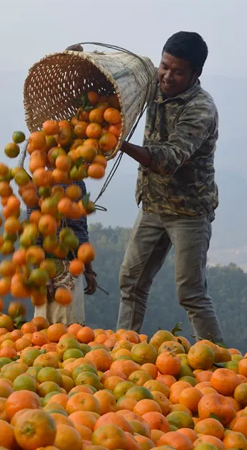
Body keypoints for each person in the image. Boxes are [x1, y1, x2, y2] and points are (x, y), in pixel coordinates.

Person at [74, 32, 223, 342]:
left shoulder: (200, 109)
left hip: (188, 211)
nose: (167, 76)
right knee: (131, 280)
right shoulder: (153, 81)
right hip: (153, 203)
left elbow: (168, 159)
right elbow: (114, 77)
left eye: (178, 71)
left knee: (191, 292)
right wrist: (80, 59)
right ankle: (123, 349)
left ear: (196, 74)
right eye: (164, 66)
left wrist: (119, 143)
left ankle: (218, 364)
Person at [27, 180, 98, 325]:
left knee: (72, 328)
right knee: (45, 330)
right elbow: (33, 234)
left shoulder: (78, 183)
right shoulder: (38, 182)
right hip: (47, 266)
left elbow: (81, 229)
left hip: (73, 266)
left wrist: (89, 269)